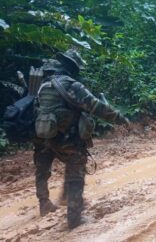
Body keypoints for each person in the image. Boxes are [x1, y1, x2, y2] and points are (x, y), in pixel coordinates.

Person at [33, 49, 130, 229]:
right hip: (67, 138)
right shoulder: (72, 85)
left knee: (42, 170)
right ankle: (74, 218)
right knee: (76, 171)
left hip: (43, 135)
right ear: (73, 68)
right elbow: (97, 107)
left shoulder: (44, 85)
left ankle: (45, 203)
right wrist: (120, 118)